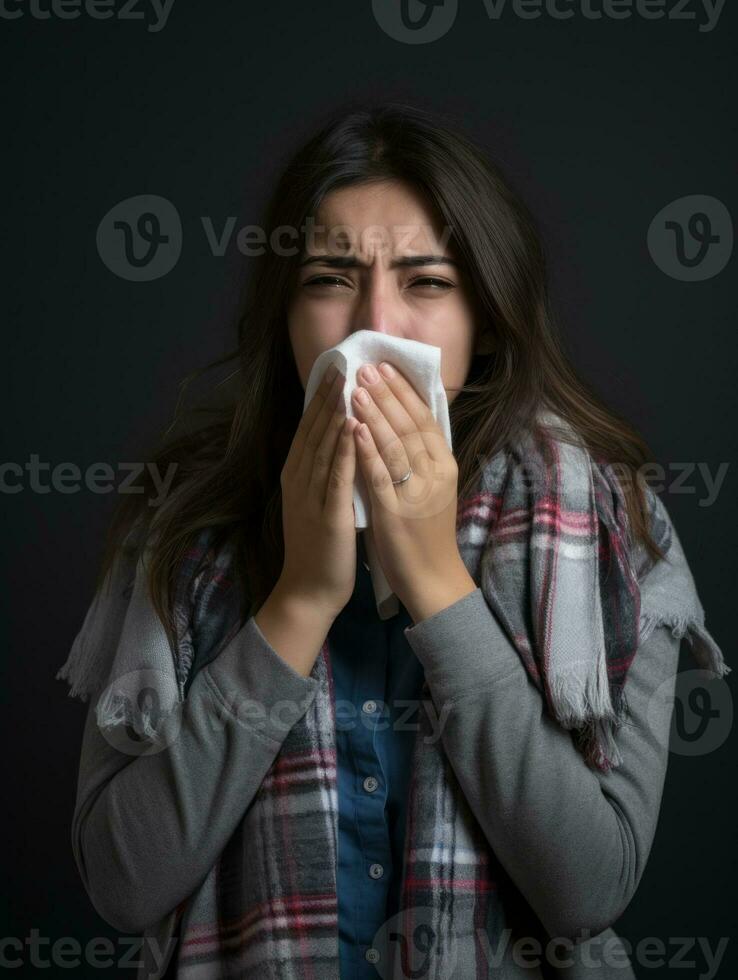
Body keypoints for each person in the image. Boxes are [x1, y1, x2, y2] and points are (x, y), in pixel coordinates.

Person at [57, 102, 726, 980]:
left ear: (485, 317)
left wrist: (438, 583)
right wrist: (297, 600)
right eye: (331, 279)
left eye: (428, 282)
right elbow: (121, 883)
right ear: (284, 315)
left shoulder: (608, 523)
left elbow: (590, 890)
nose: (375, 328)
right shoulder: (179, 524)